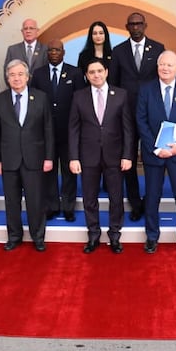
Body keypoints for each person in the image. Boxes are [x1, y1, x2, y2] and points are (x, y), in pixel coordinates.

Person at [136, 50, 176, 255]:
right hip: (153, 154)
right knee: (152, 197)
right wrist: (156, 148)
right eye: (162, 64)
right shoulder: (146, 90)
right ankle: (152, 237)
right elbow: (141, 121)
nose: (165, 68)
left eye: (169, 65)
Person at [69, 59, 134, 253]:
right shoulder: (78, 96)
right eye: (91, 72)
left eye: (99, 71)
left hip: (115, 156)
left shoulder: (121, 95)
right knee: (90, 198)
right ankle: (93, 235)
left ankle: (115, 235)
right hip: (88, 156)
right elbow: (73, 129)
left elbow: (128, 129)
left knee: (116, 197)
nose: (96, 75)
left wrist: (128, 155)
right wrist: (73, 157)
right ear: (87, 75)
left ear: (106, 72)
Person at [0, 59, 55, 251]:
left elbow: (48, 129)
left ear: (27, 77)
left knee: (35, 200)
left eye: (20, 74)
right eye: (12, 75)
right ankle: (14, 236)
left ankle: (38, 237)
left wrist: (49, 157)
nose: (16, 78)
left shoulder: (41, 97)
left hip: (34, 158)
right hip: (9, 159)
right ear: (7, 78)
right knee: (12, 202)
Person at [110, 11, 162, 221]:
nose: (136, 27)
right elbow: (113, 83)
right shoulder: (118, 51)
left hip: (152, 114)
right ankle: (134, 202)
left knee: (152, 156)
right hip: (127, 114)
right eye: (132, 24)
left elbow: (163, 80)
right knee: (128, 158)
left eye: (139, 24)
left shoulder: (158, 49)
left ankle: (151, 199)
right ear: (126, 27)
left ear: (145, 25)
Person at [30, 39, 80, 221]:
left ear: (63, 52)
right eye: (50, 50)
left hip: (68, 132)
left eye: (57, 50)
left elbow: (80, 101)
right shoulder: (38, 74)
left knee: (69, 170)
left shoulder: (74, 73)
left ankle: (68, 206)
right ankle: (51, 205)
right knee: (48, 170)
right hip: (45, 133)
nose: (53, 53)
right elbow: (33, 102)